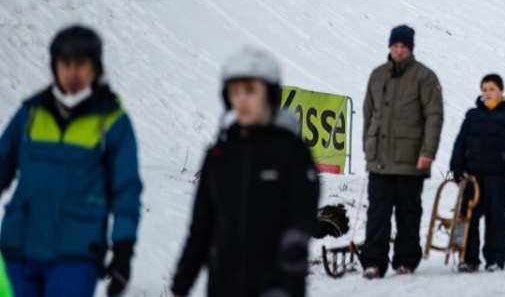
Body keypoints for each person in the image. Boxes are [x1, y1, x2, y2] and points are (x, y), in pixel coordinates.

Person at [0, 26, 142, 297]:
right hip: (18, 250)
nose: (72, 73)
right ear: (55, 66)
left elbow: (126, 190)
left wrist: (123, 249)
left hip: (75, 257)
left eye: (81, 64)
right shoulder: (31, 114)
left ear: (95, 68)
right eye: (65, 64)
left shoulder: (112, 123)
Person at [170, 48, 319, 297]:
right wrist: (181, 283)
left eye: (250, 91)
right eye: (235, 91)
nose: (241, 100)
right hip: (223, 284)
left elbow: (303, 207)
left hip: (277, 283)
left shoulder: (291, 150)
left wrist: (294, 248)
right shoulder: (219, 154)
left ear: (270, 93)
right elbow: (201, 227)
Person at [361, 25, 444, 279]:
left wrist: (428, 151)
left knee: (408, 211)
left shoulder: (424, 77)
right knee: (377, 212)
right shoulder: (377, 75)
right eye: (395, 46)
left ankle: (405, 261)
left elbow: (434, 116)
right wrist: (368, 145)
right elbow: (368, 112)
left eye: (403, 47)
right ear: (390, 47)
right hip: (380, 159)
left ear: (410, 49)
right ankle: (374, 262)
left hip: (411, 159)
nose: (399, 50)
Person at [449, 74, 505, 273]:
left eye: (492, 89)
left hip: (497, 175)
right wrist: (457, 167)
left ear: (501, 91)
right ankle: (468, 258)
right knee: (468, 216)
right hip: (473, 176)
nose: (488, 93)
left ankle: (495, 258)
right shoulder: (473, 115)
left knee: (496, 217)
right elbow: (461, 141)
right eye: (484, 89)